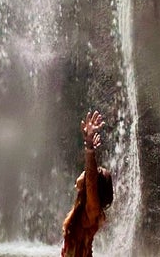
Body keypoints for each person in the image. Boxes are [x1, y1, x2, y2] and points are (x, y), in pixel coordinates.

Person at [62, 110, 114, 257]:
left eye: (88, 173)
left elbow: (91, 180)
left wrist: (89, 146)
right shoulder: (86, 211)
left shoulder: (91, 211)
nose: (84, 173)